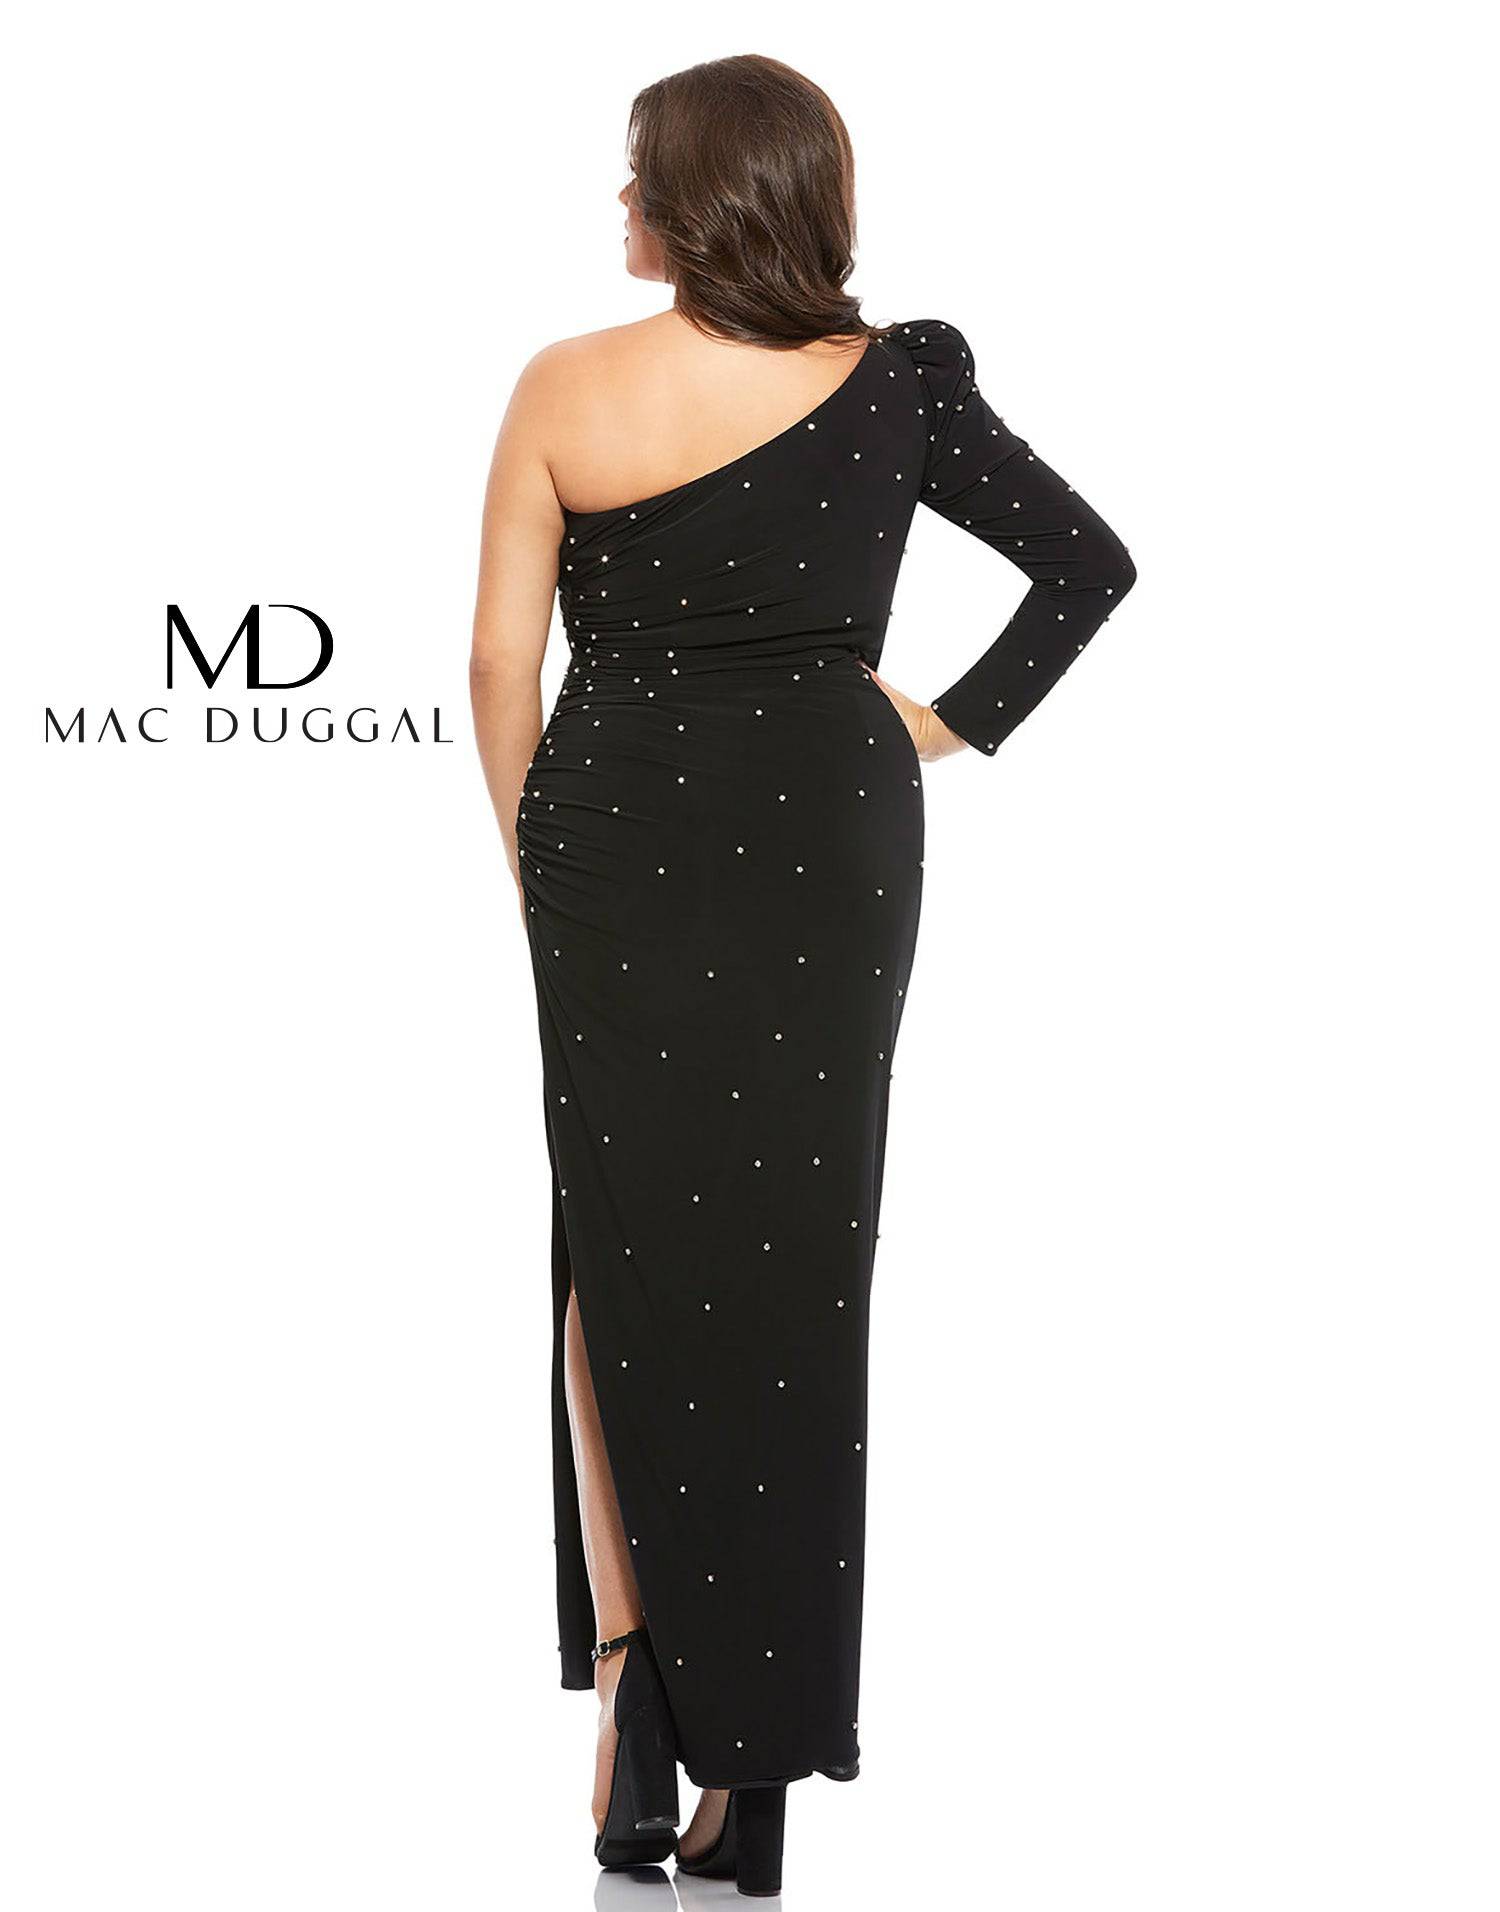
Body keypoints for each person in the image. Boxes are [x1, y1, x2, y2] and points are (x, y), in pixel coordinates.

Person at [469, 52, 1136, 1897]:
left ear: (699, 198)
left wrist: (540, 868)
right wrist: (935, 724)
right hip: (828, 846)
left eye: (636, 177)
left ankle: (640, 1699)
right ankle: (752, 1768)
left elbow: (500, 671)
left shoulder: (565, 386)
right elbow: (1086, 568)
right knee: (794, 1266)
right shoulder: (899, 383)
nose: (619, 205)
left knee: (617, 1245)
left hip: (607, 837)